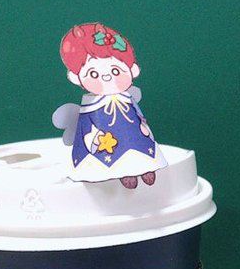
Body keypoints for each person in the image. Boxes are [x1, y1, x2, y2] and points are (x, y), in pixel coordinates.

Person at [56, 22, 167, 188]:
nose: (107, 77)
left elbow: (138, 115)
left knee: (140, 150)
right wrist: (92, 137)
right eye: (93, 73)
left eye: (115, 71)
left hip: (136, 138)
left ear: (132, 69)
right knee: (114, 158)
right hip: (104, 148)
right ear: (76, 77)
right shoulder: (92, 106)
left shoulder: (127, 98)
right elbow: (87, 126)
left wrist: (142, 124)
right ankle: (124, 174)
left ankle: (145, 168)